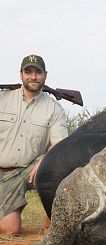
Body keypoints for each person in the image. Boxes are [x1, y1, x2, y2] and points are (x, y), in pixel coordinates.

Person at [0, 54, 68, 234]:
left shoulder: (54, 108)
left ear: (45, 75)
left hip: (29, 171)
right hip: (2, 172)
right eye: (28, 71)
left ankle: (54, 227)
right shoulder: (2, 99)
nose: (33, 76)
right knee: (9, 227)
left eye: (37, 72)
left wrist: (45, 159)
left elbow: (60, 145)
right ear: (20, 74)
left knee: (61, 168)